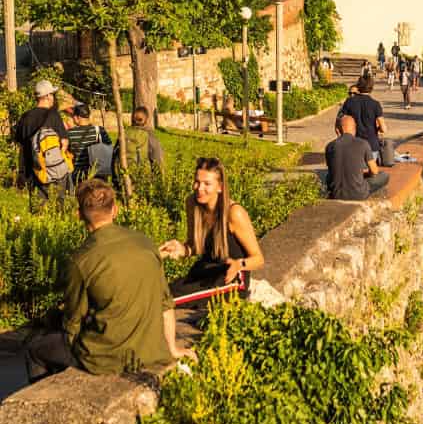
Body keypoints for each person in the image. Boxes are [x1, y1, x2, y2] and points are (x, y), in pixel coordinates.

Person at [26, 178, 192, 381]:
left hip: (107, 358)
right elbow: (166, 304)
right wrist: (172, 348)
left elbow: (73, 322)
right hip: (152, 352)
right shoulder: (145, 242)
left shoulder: (80, 260)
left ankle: (49, 398)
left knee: (35, 350)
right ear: (115, 210)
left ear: (78, 215)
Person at [158, 157, 266, 287]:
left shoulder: (234, 213)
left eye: (207, 184)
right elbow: (194, 246)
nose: (199, 188)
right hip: (206, 270)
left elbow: (258, 259)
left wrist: (239, 264)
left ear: (220, 187)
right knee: (163, 292)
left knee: (172, 298)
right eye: (197, 182)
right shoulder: (193, 204)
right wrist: (181, 249)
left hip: (231, 278)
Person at [12, 79, 70, 200]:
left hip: (34, 172)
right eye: (52, 94)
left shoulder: (25, 117)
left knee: (38, 208)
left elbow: (21, 147)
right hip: (54, 172)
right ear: (47, 96)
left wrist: (22, 174)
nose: (53, 98)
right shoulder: (54, 116)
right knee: (58, 207)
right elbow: (64, 143)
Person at [323, 112, 387, 200]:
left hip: (336, 194)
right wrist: (364, 173)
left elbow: (332, 171)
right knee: (384, 175)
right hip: (359, 194)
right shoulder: (363, 144)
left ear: (337, 130)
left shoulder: (329, 146)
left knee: (327, 176)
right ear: (354, 129)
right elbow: (374, 171)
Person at [65, 101, 114, 180]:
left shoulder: (70, 133)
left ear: (77, 117)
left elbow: (67, 153)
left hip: (78, 176)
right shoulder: (99, 130)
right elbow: (109, 148)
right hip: (97, 174)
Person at [341, 72, 386, 153]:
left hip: (354, 143)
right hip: (371, 144)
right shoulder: (375, 104)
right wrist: (377, 129)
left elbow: (342, 121)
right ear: (371, 88)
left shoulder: (349, 101)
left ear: (358, 86)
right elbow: (383, 129)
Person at [121, 105, 167, 172]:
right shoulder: (149, 136)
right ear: (147, 120)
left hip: (122, 174)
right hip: (141, 176)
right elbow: (158, 161)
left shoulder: (124, 134)